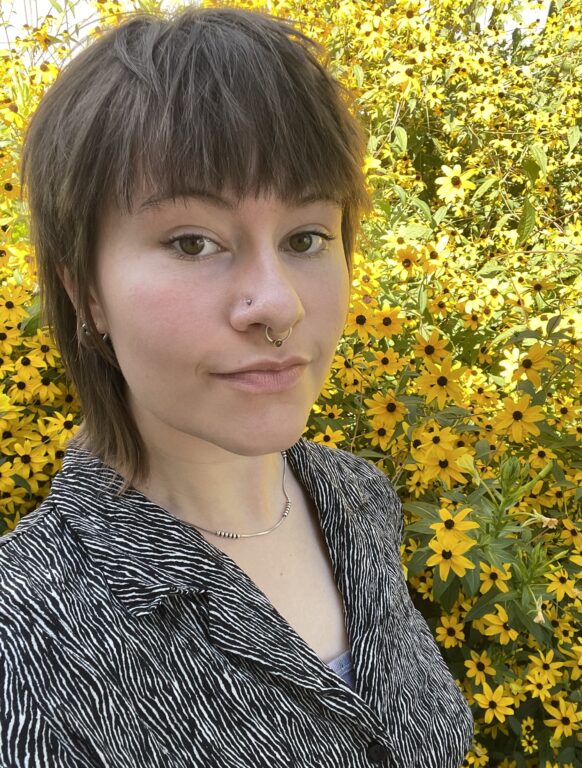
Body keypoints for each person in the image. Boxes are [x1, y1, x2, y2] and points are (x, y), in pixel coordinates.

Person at [0, 6, 473, 767]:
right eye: (194, 242)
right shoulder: (29, 639)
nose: (278, 302)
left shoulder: (358, 500)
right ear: (84, 289)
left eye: (306, 238)